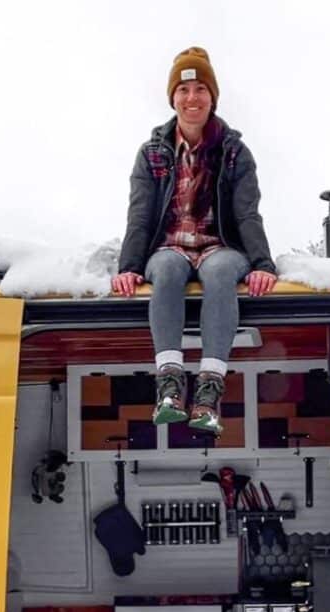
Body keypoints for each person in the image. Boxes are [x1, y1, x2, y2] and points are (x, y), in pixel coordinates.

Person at [112, 46, 277, 435]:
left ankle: (208, 392)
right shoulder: (153, 152)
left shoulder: (234, 151)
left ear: (212, 97)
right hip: (168, 246)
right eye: (184, 91)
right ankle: (169, 386)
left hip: (221, 245)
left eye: (201, 89)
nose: (192, 99)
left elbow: (247, 212)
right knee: (167, 269)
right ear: (173, 98)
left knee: (220, 272)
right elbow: (140, 214)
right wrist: (130, 267)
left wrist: (262, 264)